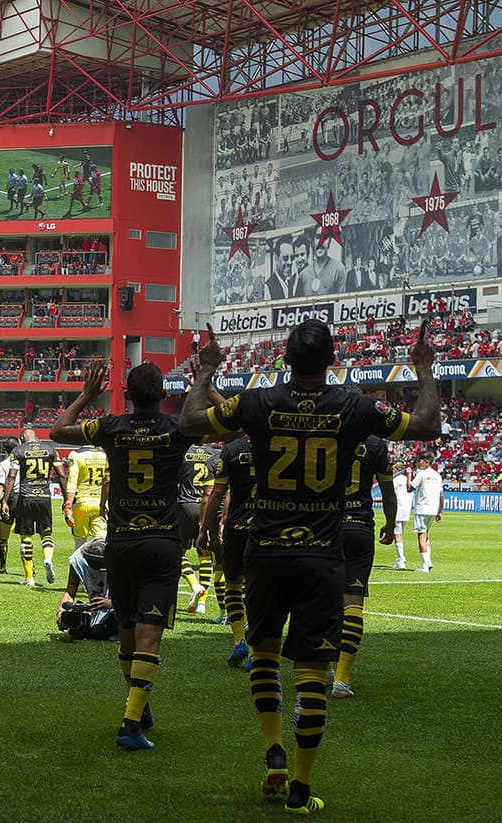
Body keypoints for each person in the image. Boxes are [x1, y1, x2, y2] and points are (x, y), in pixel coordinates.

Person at [180, 319, 439, 814]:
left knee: (263, 653)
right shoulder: (354, 406)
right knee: (312, 670)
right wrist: (424, 370)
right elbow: (426, 425)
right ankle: (300, 786)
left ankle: (272, 749)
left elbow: (191, 422)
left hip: (265, 550)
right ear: (333, 361)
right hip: (323, 554)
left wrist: (207, 370)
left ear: (284, 359)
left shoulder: (258, 402)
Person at [51, 362, 198, 751]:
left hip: (122, 543)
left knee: (128, 632)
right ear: (164, 394)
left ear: (127, 395)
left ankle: (138, 706)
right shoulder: (176, 429)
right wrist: (202, 381)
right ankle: (131, 722)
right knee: (150, 634)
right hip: (162, 542)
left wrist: (86, 395)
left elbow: (57, 431)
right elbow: (226, 427)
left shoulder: (112, 427)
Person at [331, 436, 397, 700]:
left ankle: (323, 667)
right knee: (353, 605)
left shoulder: (328, 433)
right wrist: (391, 526)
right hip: (359, 527)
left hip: (327, 527)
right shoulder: (375, 444)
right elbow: (388, 492)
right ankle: (342, 678)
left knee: (322, 603)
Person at [200, 436, 255, 667]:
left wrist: (205, 528)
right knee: (256, 589)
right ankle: (254, 651)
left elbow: (219, 492)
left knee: (233, 583)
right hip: (267, 527)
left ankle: (239, 640)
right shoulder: (275, 441)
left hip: (237, 527)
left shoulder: (232, 449)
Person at [0, 428, 63, 586]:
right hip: (44, 497)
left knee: (26, 536)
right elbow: (61, 475)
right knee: (46, 533)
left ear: (22, 437)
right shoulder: (50, 449)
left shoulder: (18, 450)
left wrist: (5, 501)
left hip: (26, 497)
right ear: (37, 436)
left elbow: (12, 476)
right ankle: (48, 559)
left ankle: (29, 577)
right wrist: (67, 498)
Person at [177, 443, 223, 618]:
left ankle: (194, 585)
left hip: (186, 506)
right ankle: (202, 604)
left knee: (177, 551)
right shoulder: (215, 455)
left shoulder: (185, 451)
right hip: (207, 508)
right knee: (204, 553)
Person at [56, 537, 117, 640]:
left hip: (124, 604)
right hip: (102, 605)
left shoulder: (121, 556)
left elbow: (136, 594)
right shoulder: (78, 560)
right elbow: (70, 591)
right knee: (94, 632)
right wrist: (61, 611)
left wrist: (111, 603)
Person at [62, 444, 108, 550]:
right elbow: (108, 481)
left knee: (79, 545)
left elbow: (72, 482)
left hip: (81, 504)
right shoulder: (104, 455)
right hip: (100, 504)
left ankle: (78, 566)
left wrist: (68, 505)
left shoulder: (75, 455)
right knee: (101, 544)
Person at [0, 437, 20, 573]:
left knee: (3, 537)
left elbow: (0, 486)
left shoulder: (3, 464)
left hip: (10, 499)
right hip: (24, 498)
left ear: (5, 450)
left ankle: (2, 566)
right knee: (26, 535)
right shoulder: (24, 461)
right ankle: (29, 568)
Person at [410, 452, 443, 573]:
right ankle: (428, 562)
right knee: (426, 535)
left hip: (422, 508)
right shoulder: (437, 476)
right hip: (433, 509)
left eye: (420, 460)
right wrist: (440, 511)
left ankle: (425, 565)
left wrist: (409, 475)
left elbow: (409, 488)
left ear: (427, 462)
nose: (418, 463)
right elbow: (441, 495)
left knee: (421, 536)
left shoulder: (421, 474)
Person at [392, 459, 413, 569]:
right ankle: (400, 558)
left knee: (397, 534)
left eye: (394, 469)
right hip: (406, 510)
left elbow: (391, 497)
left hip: (398, 509)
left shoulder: (394, 481)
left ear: (398, 469)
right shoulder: (408, 480)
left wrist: (375, 500)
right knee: (400, 533)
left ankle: (401, 559)